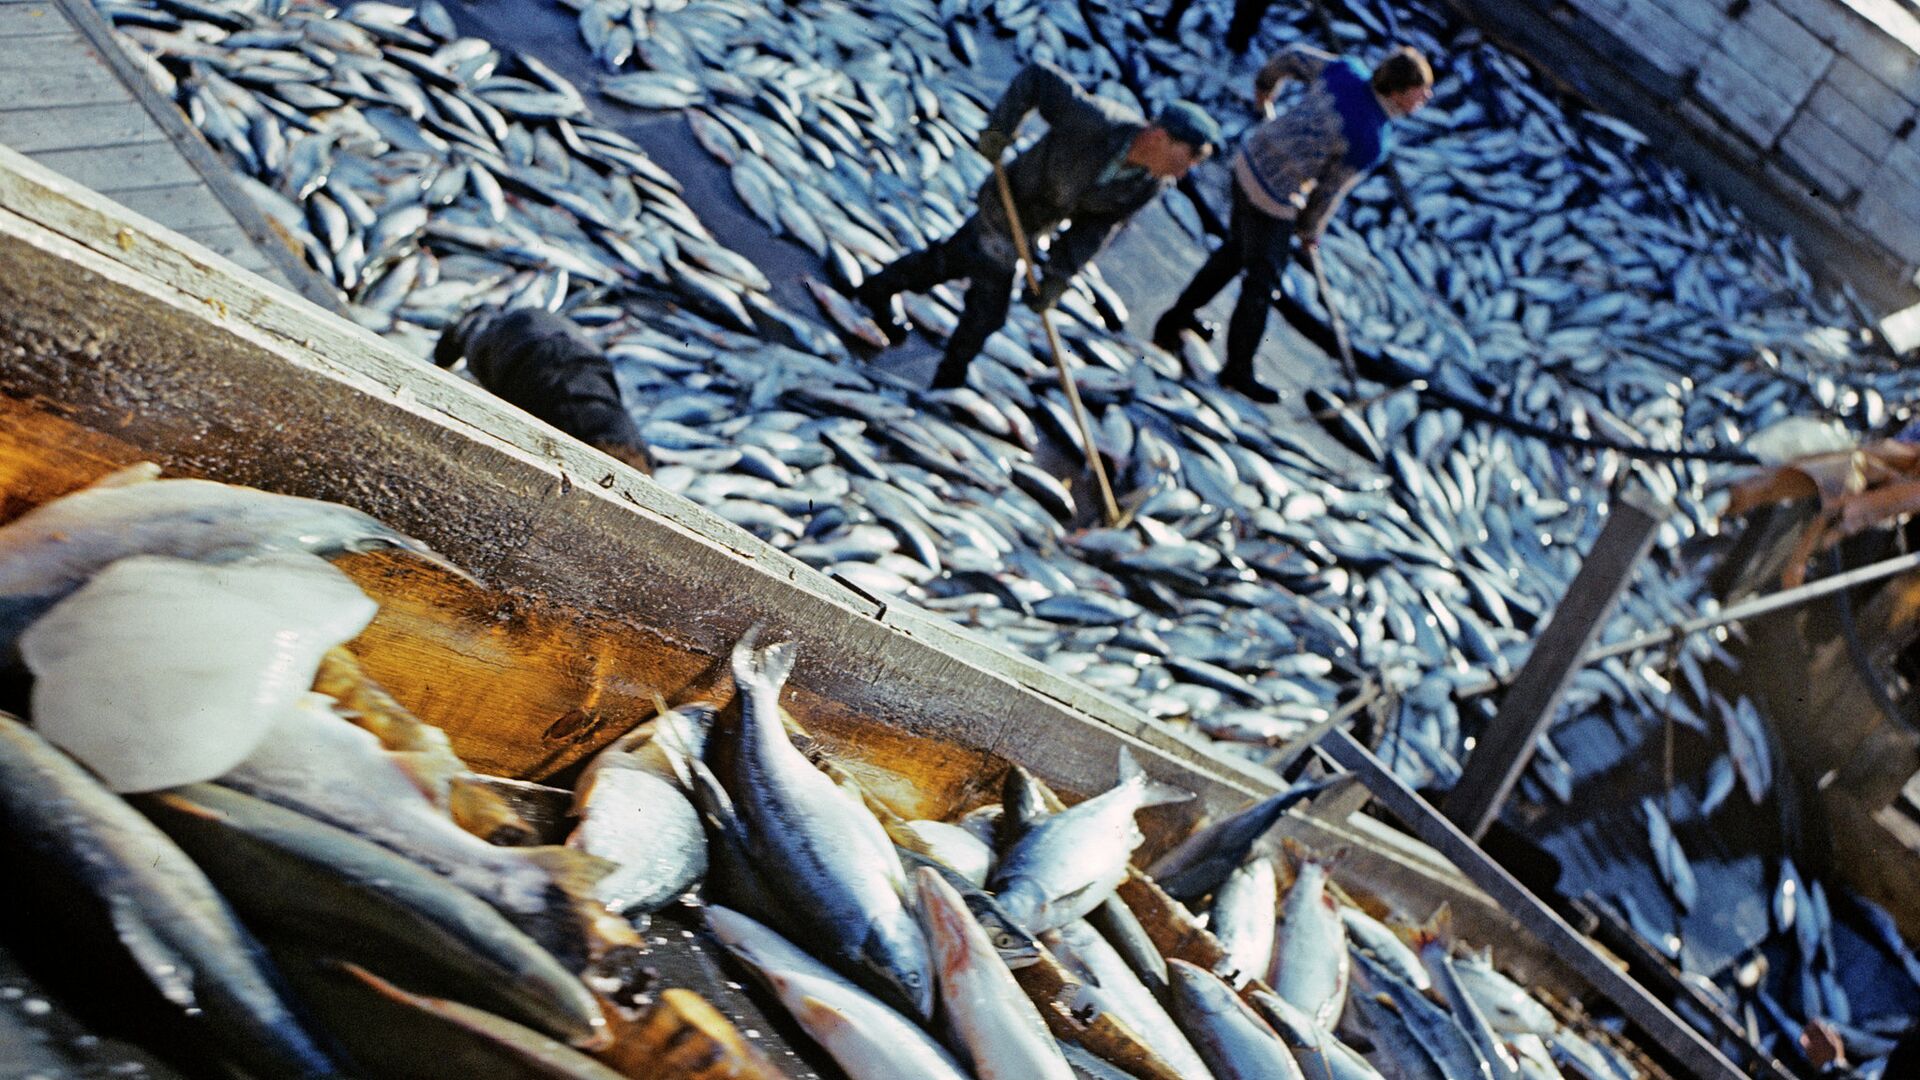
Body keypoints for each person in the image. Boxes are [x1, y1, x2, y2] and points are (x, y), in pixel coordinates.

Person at [852, 63, 1220, 391]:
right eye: (1186, 159)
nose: (1184, 173)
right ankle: (949, 378)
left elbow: (1096, 227)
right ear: (1159, 138)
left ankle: (877, 291)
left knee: (951, 261)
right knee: (986, 302)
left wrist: (1058, 276)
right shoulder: (1096, 121)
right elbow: (1038, 77)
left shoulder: (1148, 184)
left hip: (1034, 225)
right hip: (1007, 201)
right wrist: (1000, 128)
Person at [1151, 45, 1434, 404]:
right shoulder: (1371, 138)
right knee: (1261, 283)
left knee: (1235, 252)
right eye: (1420, 91)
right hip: (1272, 196)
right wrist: (1309, 230)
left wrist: (1264, 89)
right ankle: (1237, 370)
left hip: (1248, 160)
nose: (1427, 97)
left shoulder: (1346, 72)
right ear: (1398, 92)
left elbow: (1292, 57)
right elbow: (1328, 192)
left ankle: (1176, 319)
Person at [434, 307, 653, 473]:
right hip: (525, 343)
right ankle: (471, 322)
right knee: (477, 345)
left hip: (580, 347)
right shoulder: (566, 433)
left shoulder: (640, 456)